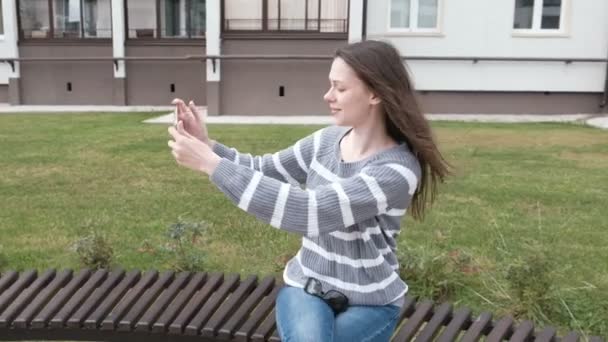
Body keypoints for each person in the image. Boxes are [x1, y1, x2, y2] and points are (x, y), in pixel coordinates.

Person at [167, 40, 449, 342]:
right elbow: (265, 168)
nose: (328, 96)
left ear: (375, 93)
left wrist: (211, 165)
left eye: (339, 88)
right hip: (308, 287)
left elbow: (309, 212)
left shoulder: (396, 171)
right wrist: (208, 146)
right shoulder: (326, 141)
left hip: (371, 302)